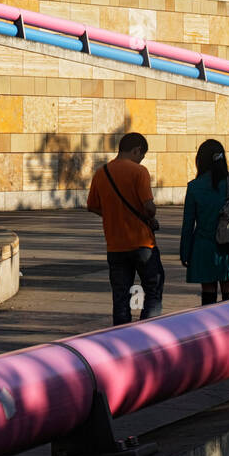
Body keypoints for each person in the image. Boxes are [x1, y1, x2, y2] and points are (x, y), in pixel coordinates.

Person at [87, 131, 164, 324]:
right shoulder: (139, 172)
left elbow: (92, 206)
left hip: (115, 245)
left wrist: (114, 214)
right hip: (142, 243)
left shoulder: (101, 172)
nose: (141, 160)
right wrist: (151, 214)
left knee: (120, 298)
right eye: (142, 155)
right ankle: (148, 333)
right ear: (137, 150)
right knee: (153, 290)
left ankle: (122, 338)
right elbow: (148, 207)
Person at [180, 139, 229, 304]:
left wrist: (185, 252)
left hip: (204, 248)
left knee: (208, 300)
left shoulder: (194, 187)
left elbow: (188, 224)